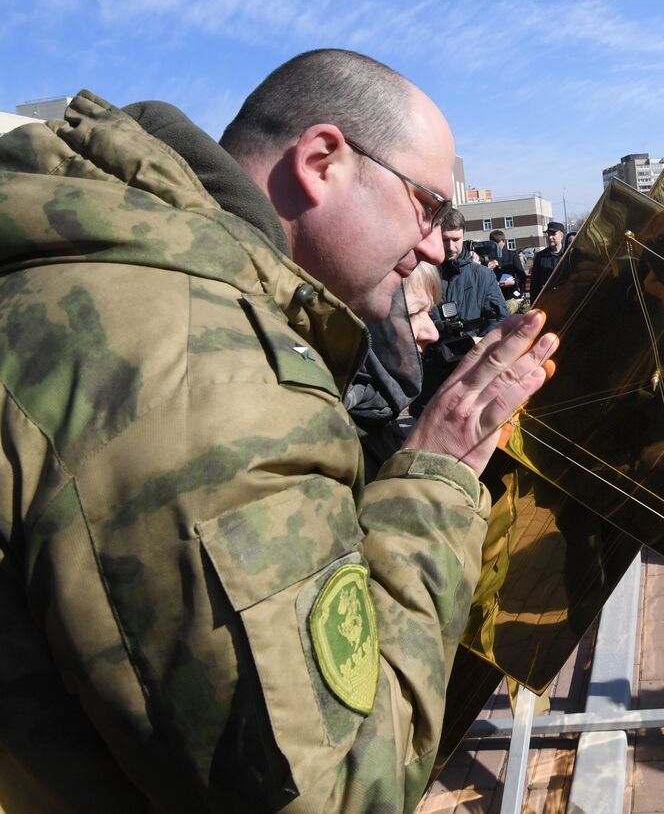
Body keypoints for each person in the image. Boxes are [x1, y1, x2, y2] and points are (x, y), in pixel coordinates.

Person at [0, 49, 559, 812]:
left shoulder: (85, 271)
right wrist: (435, 471)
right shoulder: (211, 376)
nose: (434, 245)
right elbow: (328, 791)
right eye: (428, 206)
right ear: (322, 160)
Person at [439, 209, 507, 337]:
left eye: (455, 239)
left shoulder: (484, 276)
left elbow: (497, 319)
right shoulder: (423, 275)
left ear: (464, 235)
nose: (450, 247)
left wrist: (478, 344)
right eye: (445, 240)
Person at [489, 229, 528, 313]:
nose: (495, 246)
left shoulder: (512, 256)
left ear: (503, 241)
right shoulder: (488, 258)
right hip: (495, 297)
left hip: (511, 295)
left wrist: (513, 282)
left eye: (497, 243)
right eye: (493, 243)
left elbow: (522, 277)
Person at [530, 220, 567, 299]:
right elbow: (534, 283)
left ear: (561, 236)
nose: (550, 237)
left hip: (566, 300)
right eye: (548, 234)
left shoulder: (569, 254)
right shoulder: (540, 256)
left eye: (553, 234)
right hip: (547, 300)